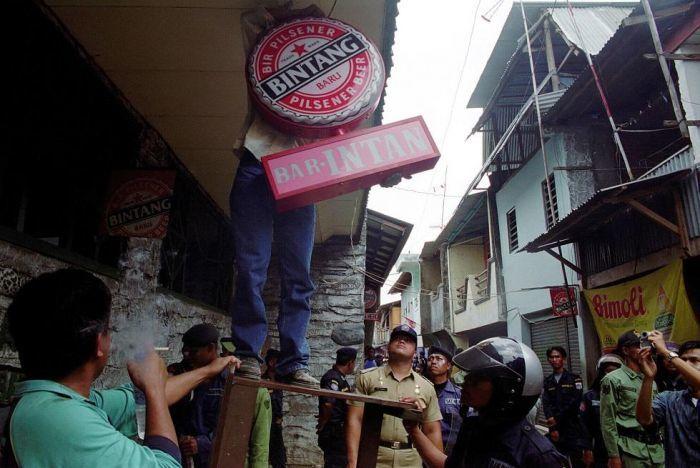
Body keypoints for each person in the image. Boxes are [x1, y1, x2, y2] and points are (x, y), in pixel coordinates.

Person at [3, 268, 239, 467]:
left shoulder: (55, 402)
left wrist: (208, 371)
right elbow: (166, 462)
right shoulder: (59, 419)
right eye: (108, 330)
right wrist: (154, 388)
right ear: (98, 343)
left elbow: (141, 400)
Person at [405, 337, 569, 467]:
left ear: (505, 389)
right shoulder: (472, 429)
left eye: (476, 380)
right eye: (468, 378)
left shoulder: (539, 455)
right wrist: (414, 430)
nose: (466, 385)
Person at [168, 324, 270, 468]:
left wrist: (201, 444)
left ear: (210, 348)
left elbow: (239, 434)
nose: (187, 356)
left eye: (194, 352)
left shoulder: (233, 384)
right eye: (185, 351)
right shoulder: (183, 377)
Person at [346, 325, 443, 468]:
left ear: (415, 351)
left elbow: (432, 430)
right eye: (397, 338)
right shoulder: (367, 378)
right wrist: (352, 461)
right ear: (388, 346)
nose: (402, 341)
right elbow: (355, 420)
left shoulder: (426, 387)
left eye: (408, 340)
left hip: (411, 459)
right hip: (373, 456)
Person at [600, 330, 664, 468]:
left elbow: (658, 415)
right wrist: (614, 455)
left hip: (655, 450)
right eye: (638, 345)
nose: (644, 349)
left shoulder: (651, 379)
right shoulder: (613, 379)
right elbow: (608, 420)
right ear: (625, 350)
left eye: (646, 345)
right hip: (631, 451)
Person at [636, 333, 700, 467]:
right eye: (683, 360)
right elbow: (644, 420)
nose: (685, 364)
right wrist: (648, 378)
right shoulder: (669, 399)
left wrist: (665, 352)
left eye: (694, 360)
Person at [542, 346, 591, 467]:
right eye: (552, 357)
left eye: (557, 356)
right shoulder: (547, 381)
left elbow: (575, 403)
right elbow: (546, 403)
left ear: (563, 359)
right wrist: (552, 427)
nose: (554, 359)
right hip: (556, 431)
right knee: (559, 462)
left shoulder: (575, 379)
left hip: (573, 428)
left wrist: (555, 420)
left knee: (577, 461)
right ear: (548, 360)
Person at [580, 354, 623, 468]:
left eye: (615, 372)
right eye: (608, 371)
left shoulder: (627, 395)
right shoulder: (590, 397)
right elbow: (584, 425)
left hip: (625, 448)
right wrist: (587, 449)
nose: (611, 375)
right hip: (600, 448)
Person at [318, 347, 357, 468]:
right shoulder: (333, 378)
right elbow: (328, 403)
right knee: (335, 463)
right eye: (354, 362)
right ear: (350, 363)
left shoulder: (340, 378)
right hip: (333, 431)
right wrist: (324, 421)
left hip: (338, 430)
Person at [425, 346, 462, 457]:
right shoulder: (420, 391)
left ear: (448, 366)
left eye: (438, 359)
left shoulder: (459, 395)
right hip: (422, 453)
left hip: (450, 456)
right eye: (430, 358)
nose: (433, 362)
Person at [262, 349, 286, 468]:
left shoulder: (280, 381)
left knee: (280, 459)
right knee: (263, 456)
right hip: (265, 425)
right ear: (271, 363)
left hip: (276, 426)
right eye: (279, 362)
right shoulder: (263, 381)